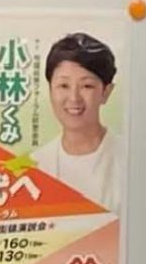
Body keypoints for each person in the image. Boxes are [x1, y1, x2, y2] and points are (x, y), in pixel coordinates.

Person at [30, 32, 123, 213]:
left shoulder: (128, 160)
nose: (74, 98)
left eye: (87, 86)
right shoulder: (36, 165)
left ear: (106, 92)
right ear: (50, 90)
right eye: (63, 86)